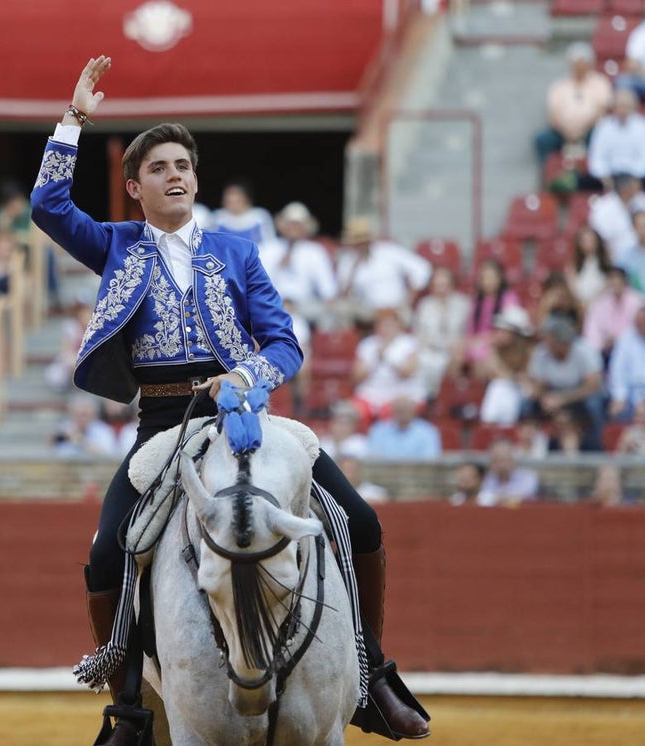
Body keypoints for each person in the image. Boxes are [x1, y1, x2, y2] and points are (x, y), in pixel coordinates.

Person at [30, 56, 428, 742]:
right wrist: (74, 121)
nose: (175, 175)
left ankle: (371, 674)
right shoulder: (118, 246)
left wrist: (247, 377)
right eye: (158, 168)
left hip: (246, 416)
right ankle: (128, 705)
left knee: (359, 521)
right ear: (135, 186)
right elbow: (48, 207)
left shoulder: (237, 252)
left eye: (183, 164)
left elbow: (283, 343)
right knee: (106, 555)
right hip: (163, 427)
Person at [521, 316, 605, 452]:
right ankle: (530, 444)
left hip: (579, 395)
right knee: (526, 404)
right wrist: (543, 398)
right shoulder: (542, 352)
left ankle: (596, 445)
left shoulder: (584, 350)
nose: (546, 344)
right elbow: (538, 385)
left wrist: (563, 399)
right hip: (552, 393)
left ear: (561, 341)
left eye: (550, 340)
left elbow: (593, 386)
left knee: (594, 403)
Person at [334, 217, 432, 327]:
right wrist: (353, 270)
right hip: (367, 311)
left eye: (363, 242)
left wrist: (409, 299)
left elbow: (421, 268)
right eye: (357, 243)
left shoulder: (389, 251)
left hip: (396, 308)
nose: (360, 245)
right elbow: (343, 294)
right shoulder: (347, 262)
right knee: (341, 310)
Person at [257, 202, 338, 326]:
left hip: (304, 308)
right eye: (290, 224)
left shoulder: (315, 252)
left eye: (298, 224)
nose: (293, 228)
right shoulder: (267, 249)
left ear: (306, 227)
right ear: (282, 225)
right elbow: (258, 283)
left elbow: (328, 290)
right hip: (272, 304)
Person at [534, 43, 612, 169]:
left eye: (582, 63)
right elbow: (552, 115)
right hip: (562, 132)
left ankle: (594, 175)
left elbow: (601, 110)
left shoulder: (600, 82)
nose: (579, 67)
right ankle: (548, 175)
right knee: (542, 140)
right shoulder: (559, 86)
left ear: (589, 64)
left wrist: (581, 130)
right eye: (576, 63)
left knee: (601, 137)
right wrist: (568, 132)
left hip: (590, 130)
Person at [352, 308, 427, 423]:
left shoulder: (408, 343)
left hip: (400, 395)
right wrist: (375, 359)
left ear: (398, 326)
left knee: (392, 413)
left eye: (390, 325)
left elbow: (407, 372)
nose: (386, 329)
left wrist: (387, 357)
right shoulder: (367, 344)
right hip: (371, 393)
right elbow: (356, 377)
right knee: (351, 413)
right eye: (382, 325)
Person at [413, 266, 471, 396]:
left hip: (454, 350)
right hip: (429, 350)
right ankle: (424, 400)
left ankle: (446, 400)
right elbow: (418, 334)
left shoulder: (463, 304)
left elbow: (468, 333)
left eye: (444, 285)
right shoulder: (424, 305)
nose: (441, 289)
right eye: (437, 285)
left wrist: (460, 346)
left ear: (452, 285)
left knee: (456, 360)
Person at [477, 305, 536, 426]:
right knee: (498, 386)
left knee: (500, 386)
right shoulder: (497, 350)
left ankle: (502, 428)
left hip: (527, 403)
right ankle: (490, 427)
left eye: (504, 330)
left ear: (516, 333)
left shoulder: (530, 352)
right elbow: (484, 372)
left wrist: (513, 378)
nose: (499, 333)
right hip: (506, 397)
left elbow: (529, 386)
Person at [459, 259, 521, 373]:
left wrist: (483, 341)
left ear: (500, 278)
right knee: (457, 352)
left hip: (499, 346)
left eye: (491, 277)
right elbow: (470, 330)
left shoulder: (509, 299)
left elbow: (507, 333)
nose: (488, 282)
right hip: (476, 344)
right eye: (484, 278)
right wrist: (469, 342)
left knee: (483, 358)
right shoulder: (476, 301)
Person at [583, 89, 645, 189]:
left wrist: (635, 178)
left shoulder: (642, 126)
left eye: (626, 106)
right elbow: (596, 157)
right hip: (610, 175)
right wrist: (604, 177)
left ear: (634, 107)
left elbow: (643, 158)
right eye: (620, 106)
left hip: (636, 175)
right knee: (584, 182)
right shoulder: (603, 127)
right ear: (613, 108)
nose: (623, 110)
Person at [589, 174, 645, 264]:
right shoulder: (603, 208)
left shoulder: (641, 200)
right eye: (633, 186)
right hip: (614, 262)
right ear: (625, 189)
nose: (638, 190)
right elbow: (599, 240)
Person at [366, 396, 442, 460]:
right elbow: (374, 457)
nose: (402, 413)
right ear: (393, 411)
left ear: (414, 410)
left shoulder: (428, 432)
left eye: (405, 409)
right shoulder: (379, 431)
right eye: (399, 410)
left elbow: (430, 459)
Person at [211, 179, 275, 245]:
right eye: (229, 202)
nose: (233, 205)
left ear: (247, 200)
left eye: (237, 201)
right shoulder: (217, 216)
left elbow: (270, 243)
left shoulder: (260, 215)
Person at [52, 393, 119, 457]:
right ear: (71, 414)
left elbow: (109, 456)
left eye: (85, 414)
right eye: (78, 414)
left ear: (93, 414)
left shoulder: (104, 431)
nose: (82, 418)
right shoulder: (64, 429)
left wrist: (82, 441)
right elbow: (53, 452)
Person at [608, 306, 645, 421]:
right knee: (617, 412)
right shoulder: (626, 338)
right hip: (631, 394)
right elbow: (617, 371)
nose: (639, 324)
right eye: (637, 321)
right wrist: (619, 397)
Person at [477, 439, 539, 507]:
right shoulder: (489, 478)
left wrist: (498, 499)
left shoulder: (528, 477)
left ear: (513, 460)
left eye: (504, 459)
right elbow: (483, 499)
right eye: (496, 460)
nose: (501, 465)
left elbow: (524, 497)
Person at [567, 225, 615, 309]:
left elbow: (608, 284)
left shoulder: (606, 263)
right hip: (580, 305)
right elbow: (572, 288)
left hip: (602, 304)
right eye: (584, 241)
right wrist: (581, 303)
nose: (589, 244)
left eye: (591, 240)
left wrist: (592, 301)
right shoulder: (573, 265)